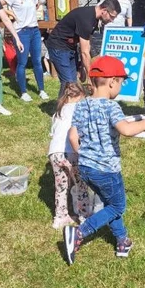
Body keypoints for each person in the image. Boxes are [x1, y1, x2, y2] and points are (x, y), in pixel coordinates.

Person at [63, 55, 145, 265]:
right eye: (122, 83)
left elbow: (72, 136)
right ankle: (79, 234)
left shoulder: (80, 105)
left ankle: (122, 240)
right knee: (118, 206)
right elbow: (125, 129)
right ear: (113, 81)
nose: (120, 88)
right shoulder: (111, 107)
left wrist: (87, 155)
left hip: (86, 167)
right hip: (107, 170)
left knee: (109, 203)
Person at [47, 0, 121, 94]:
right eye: (112, 16)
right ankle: (61, 109)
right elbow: (85, 53)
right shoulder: (86, 19)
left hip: (70, 47)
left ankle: (70, 106)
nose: (112, 20)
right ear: (104, 10)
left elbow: (87, 46)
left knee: (73, 83)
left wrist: (83, 68)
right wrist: (91, 77)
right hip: (58, 46)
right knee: (69, 84)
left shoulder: (94, 19)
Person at [48, 81, 92, 230]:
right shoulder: (80, 110)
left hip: (54, 153)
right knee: (81, 185)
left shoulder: (57, 113)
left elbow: (53, 134)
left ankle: (60, 217)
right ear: (80, 95)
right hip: (71, 152)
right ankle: (84, 216)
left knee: (61, 187)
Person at [1, 0, 48, 102]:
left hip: (34, 30)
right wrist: (10, 13)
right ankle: (23, 92)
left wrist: (40, 3)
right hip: (22, 32)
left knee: (37, 61)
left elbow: (33, 7)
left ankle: (42, 90)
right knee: (22, 62)